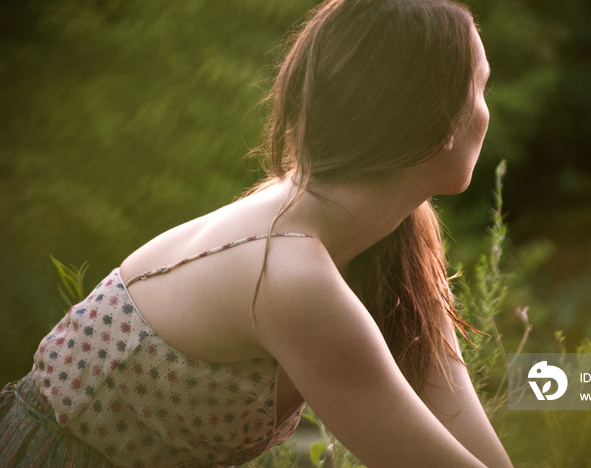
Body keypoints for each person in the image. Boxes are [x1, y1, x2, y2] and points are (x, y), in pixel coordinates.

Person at [0, 0, 513, 466]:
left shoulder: (390, 239)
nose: (487, 111)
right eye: (481, 87)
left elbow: (457, 419)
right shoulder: (287, 275)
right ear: (439, 119)